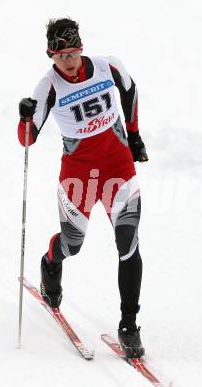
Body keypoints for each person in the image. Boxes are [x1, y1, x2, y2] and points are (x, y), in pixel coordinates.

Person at [18, 18, 148, 358]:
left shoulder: (107, 66)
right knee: (72, 244)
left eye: (73, 52)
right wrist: (25, 117)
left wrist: (133, 135)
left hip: (119, 167)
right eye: (60, 56)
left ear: (81, 48)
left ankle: (129, 325)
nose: (68, 61)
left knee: (128, 241)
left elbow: (130, 89)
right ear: (51, 55)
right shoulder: (47, 87)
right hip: (78, 176)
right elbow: (27, 140)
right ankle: (50, 264)